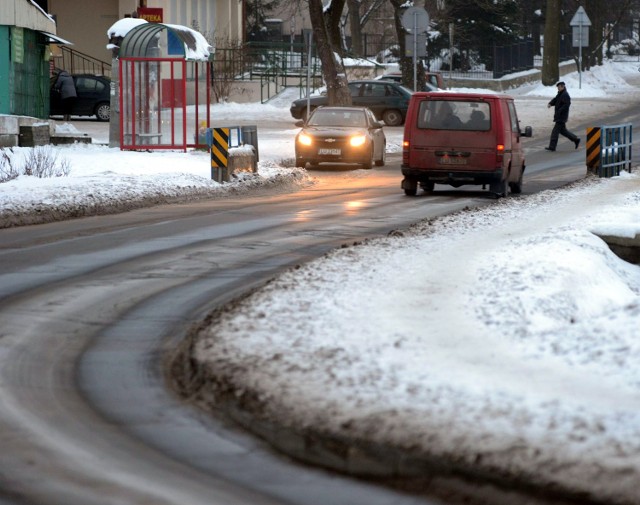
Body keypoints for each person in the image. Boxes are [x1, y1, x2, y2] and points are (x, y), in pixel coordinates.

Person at [545, 81, 580, 152]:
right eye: (557, 87)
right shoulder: (560, 94)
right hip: (559, 116)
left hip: (561, 117)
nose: (558, 88)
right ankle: (576, 139)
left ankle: (552, 147)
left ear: (562, 87)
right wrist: (550, 103)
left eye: (559, 87)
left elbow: (566, 105)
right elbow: (555, 99)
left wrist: (559, 111)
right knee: (563, 131)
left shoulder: (565, 95)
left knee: (555, 132)